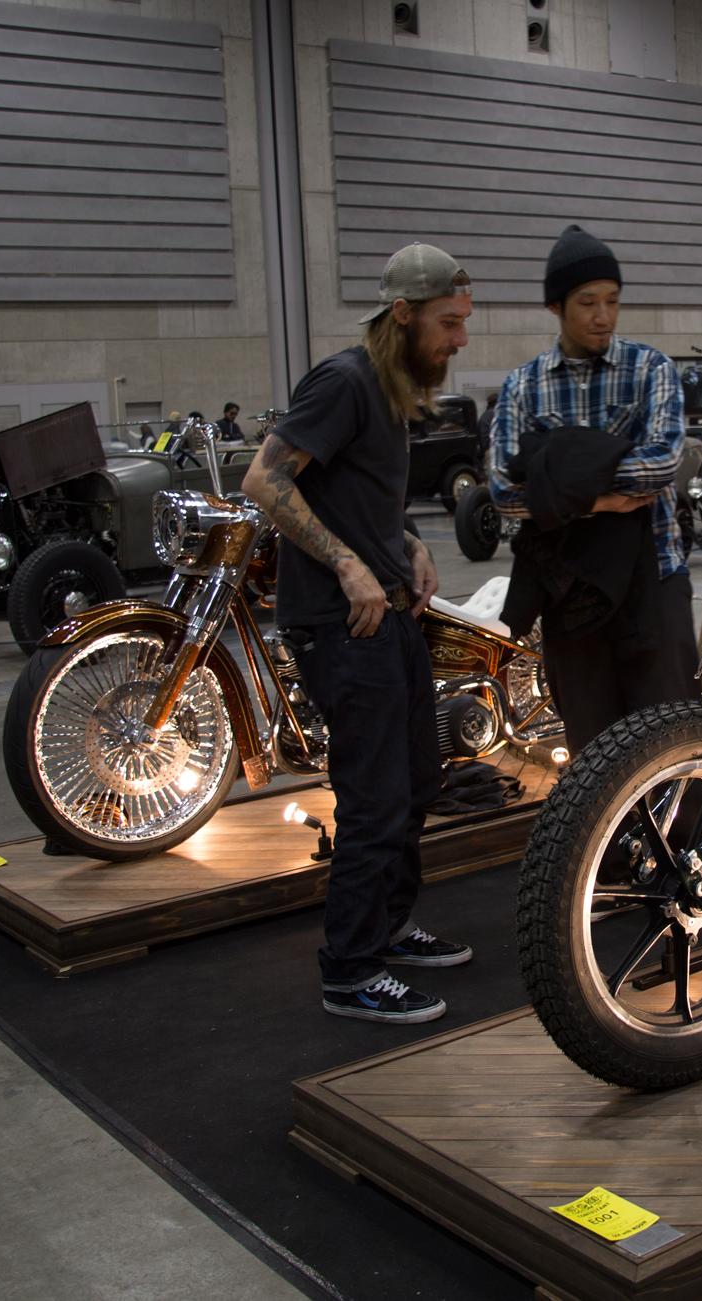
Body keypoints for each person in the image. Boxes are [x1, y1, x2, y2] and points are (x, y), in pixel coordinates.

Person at [242, 244, 470, 1024]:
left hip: (391, 610)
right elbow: (263, 478)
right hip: (342, 621)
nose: (459, 339)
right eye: (448, 322)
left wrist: (405, 541)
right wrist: (345, 562)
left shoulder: (392, 384)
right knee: (374, 799)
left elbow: (356, 490)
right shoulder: (343, 380)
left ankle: (388, 926)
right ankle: (349, 967)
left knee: (415, 782)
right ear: (402, 314)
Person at [490, 225, 699, 753]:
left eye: (612, 301)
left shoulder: (651, 369)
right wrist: (602, 497)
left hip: (655, 576)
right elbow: (499, 490)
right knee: (593, 750)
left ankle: (682, 839)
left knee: (673, 741)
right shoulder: (524, 385)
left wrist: (553, 479)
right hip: (571, 591)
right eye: (587, 302)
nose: (603, 315)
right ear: (555, 307)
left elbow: (661, 465)